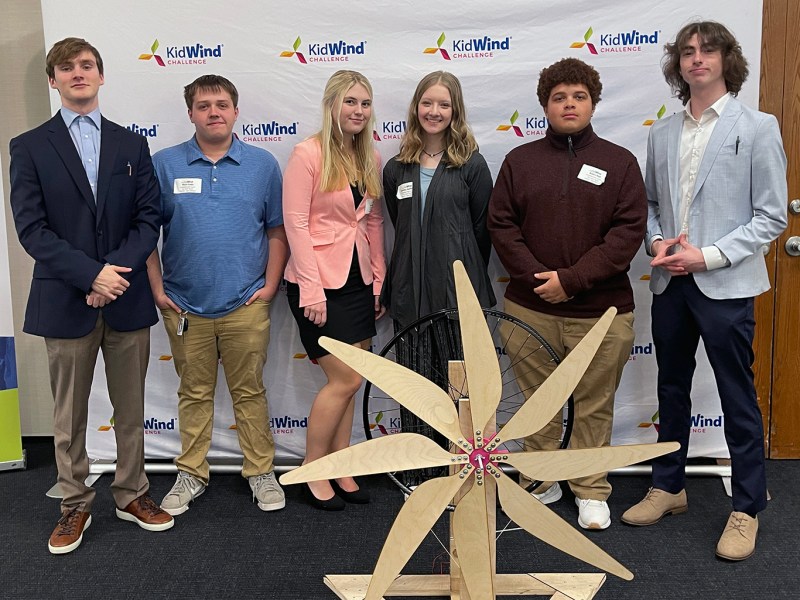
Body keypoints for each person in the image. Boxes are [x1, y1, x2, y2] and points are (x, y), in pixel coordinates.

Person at [621, 21, 787, 561]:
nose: (697, 59)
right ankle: (669, 487)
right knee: (672, 388)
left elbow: (770, 217)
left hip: (726, 284)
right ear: (678, 65)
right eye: (688, 52)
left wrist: (708, 255)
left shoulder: (758, 127)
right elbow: (648, 205)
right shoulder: (662, 133)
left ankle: (746, 507)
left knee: (737, 396)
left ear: (725, 60)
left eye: (707, 50)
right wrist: (657, 242)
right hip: (671, 284)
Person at [9, 37, 173, 554]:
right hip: (65, 300)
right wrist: (91, 276)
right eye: (66, 68)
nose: (78, 73)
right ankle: (74, 505)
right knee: (68, 416)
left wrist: (113, 275)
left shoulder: (131, 145)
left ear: (101, 76)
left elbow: (150, 218)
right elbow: (32, 230)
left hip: (124, 298)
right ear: (53, 81)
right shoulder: (29, 146)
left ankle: (132, 494)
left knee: (131, 409)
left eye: (87, 66)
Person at [488, 58, 647, 530]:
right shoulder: (520, 161)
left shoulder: (620, 162)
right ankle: (541, 479)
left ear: (593, 103)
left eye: (578, 96)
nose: (569, 104)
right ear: (545, 106)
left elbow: (628, 232)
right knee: (538, 401)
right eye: (559, 97)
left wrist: (572, 281)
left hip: (602, 312)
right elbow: (501, 225)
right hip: (529, 308)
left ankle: (590, 487)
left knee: (594, 401)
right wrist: (542, 279)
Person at [146, 75, 288, 515]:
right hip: (184, 305)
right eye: (204, 105)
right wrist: (157, 291)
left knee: (249, 392)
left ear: (235, 111)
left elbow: (277, 232)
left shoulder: (263, 165)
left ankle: (261, 471)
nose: (214, 112)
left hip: (246, 303)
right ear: (190, 113)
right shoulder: (164, 164)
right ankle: (191, 473)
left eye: (222, 104)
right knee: (193, 393)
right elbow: (146, 235)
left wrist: (269, 287)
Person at [283, 70, 385, 511]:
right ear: (331, 105)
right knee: (342, 378)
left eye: (364, 103)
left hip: (359, 279)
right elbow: (296, 224)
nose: (358, 111)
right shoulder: (306, 154)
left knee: (354, 379)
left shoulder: (370, 156)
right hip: (317, 283)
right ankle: (314, 467)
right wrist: (311, 289)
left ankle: (342, 464)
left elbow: (374, 221)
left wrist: (378, 278)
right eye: (350, 102)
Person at [382, 71, 495, 331]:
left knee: (458, 370)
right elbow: (402, 225)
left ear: (455, 111)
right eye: (427, 103)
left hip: (456, 290)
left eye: (444, 105)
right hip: (409, 290)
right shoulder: (396, 169)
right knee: (411, 370)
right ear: (416, 108)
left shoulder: (471, 164)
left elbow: (482, 230)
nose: (434, 112)